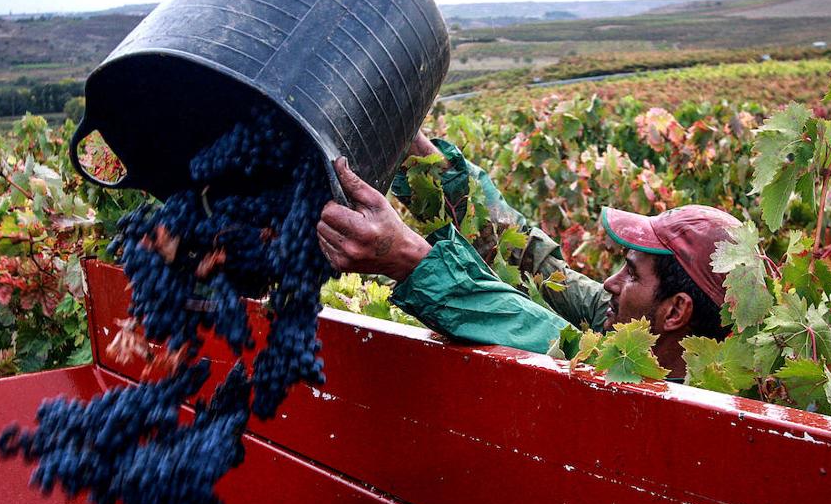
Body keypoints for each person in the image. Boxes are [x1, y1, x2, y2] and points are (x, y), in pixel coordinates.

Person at [315, 135, 740, 379]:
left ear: (674, 313)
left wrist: (407, 258)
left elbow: (533, 332)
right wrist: (424, 159)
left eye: (631, 274)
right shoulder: (624, 323)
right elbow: (532, 260)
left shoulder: (641, 381)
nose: (610, 283)